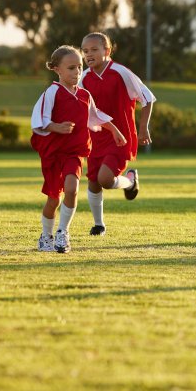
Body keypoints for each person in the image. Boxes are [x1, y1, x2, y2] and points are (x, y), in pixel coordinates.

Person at [30, 45, 126, 253]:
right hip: (54, 154)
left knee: (72, 190)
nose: (77, 73)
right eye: (71, 68)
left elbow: (96, 115)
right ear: (57, 69)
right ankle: (45, 236)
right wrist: (57, 127)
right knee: (54, 198)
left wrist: (115, 130)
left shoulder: (84, 95)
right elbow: (39, 120)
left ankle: (62, 233)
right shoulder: (52, 92)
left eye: (80, 68)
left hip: (74, 153)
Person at [79, 31, 155, 237]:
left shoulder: (121, 72)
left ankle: (129, 181)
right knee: (93, 181)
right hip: (94, 138)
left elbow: (147, 99)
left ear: (107, 50)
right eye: (85, 51)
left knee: (105, 179)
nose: (89, 54)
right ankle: (99, 225)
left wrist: (143, 128)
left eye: (94, 49)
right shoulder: (83, 78)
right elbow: (79, 107)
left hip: (120, 137)